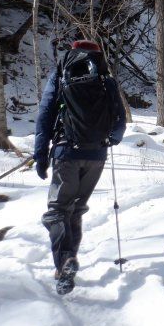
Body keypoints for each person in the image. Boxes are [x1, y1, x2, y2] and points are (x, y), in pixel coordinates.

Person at [34, 39, 126, 295]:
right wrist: (109, 140)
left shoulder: (62, 75)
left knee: (57, 211)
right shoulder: (106, 80)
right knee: (73, 211)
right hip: (96, 155)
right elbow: (120, 119)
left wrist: (40, 155)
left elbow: (45, 116)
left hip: (66, 152)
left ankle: (65, 264)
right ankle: (68, 261)